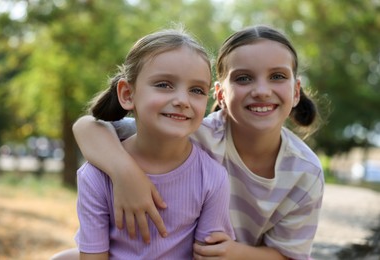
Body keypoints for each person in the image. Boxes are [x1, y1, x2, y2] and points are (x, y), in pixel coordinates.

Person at [73, 25, 324, 260]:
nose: (261, 90)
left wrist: (235, 253)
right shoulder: (191, 133)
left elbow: (291, 255)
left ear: (295, 91)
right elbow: (88, 127)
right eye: (244, 78)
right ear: (220, 94)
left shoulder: (305, 172)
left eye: (277, 76)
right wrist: (125, 174)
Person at [71, 28, 235, 259]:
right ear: (128, 94)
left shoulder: (213, 178)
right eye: (164, 84)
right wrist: (125, 174)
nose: (182, 100)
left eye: (196, 90)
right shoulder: (97, 175)